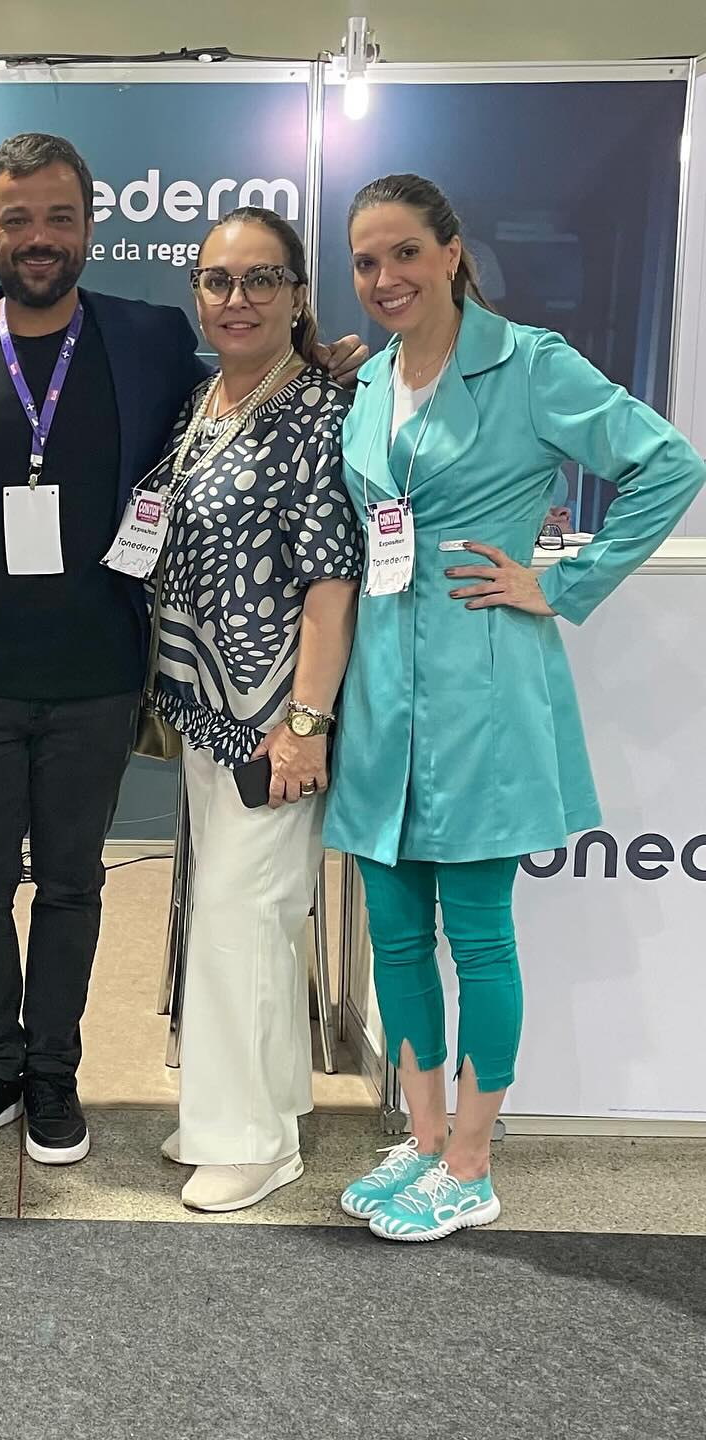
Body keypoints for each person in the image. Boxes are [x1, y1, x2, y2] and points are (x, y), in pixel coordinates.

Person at [0, 133, 366, 1167]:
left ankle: (52, 1075)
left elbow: (253, 380)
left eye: (59, 217)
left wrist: (328, 361)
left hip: (98, 677)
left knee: (74, 885)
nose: (39, 237)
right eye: (18, 218)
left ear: (90, 227)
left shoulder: (148, 338)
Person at [326, 174, 706, 1242]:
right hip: (380, 694)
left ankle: (472, 1162)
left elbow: (669, 464)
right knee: (397, 937)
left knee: (480, 936)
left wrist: (563, 581)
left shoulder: (531, 364)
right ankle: (422, 1138)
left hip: (483, 692)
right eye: (366, 261)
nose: (386, 277)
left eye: (405, 252)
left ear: (451, 253)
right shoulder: (370, 383)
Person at [151, 210, 361, 1212]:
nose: (237, 299)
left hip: (276, 717)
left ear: (298, 295)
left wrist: (306, 725)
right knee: (246, 914)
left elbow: (332, 581)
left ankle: (252, 1144)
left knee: (245, 915)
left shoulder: (317, 410)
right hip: (211, 712)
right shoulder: (208, 400)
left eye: (260, 280)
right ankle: (256, 1108)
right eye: (218, 280)